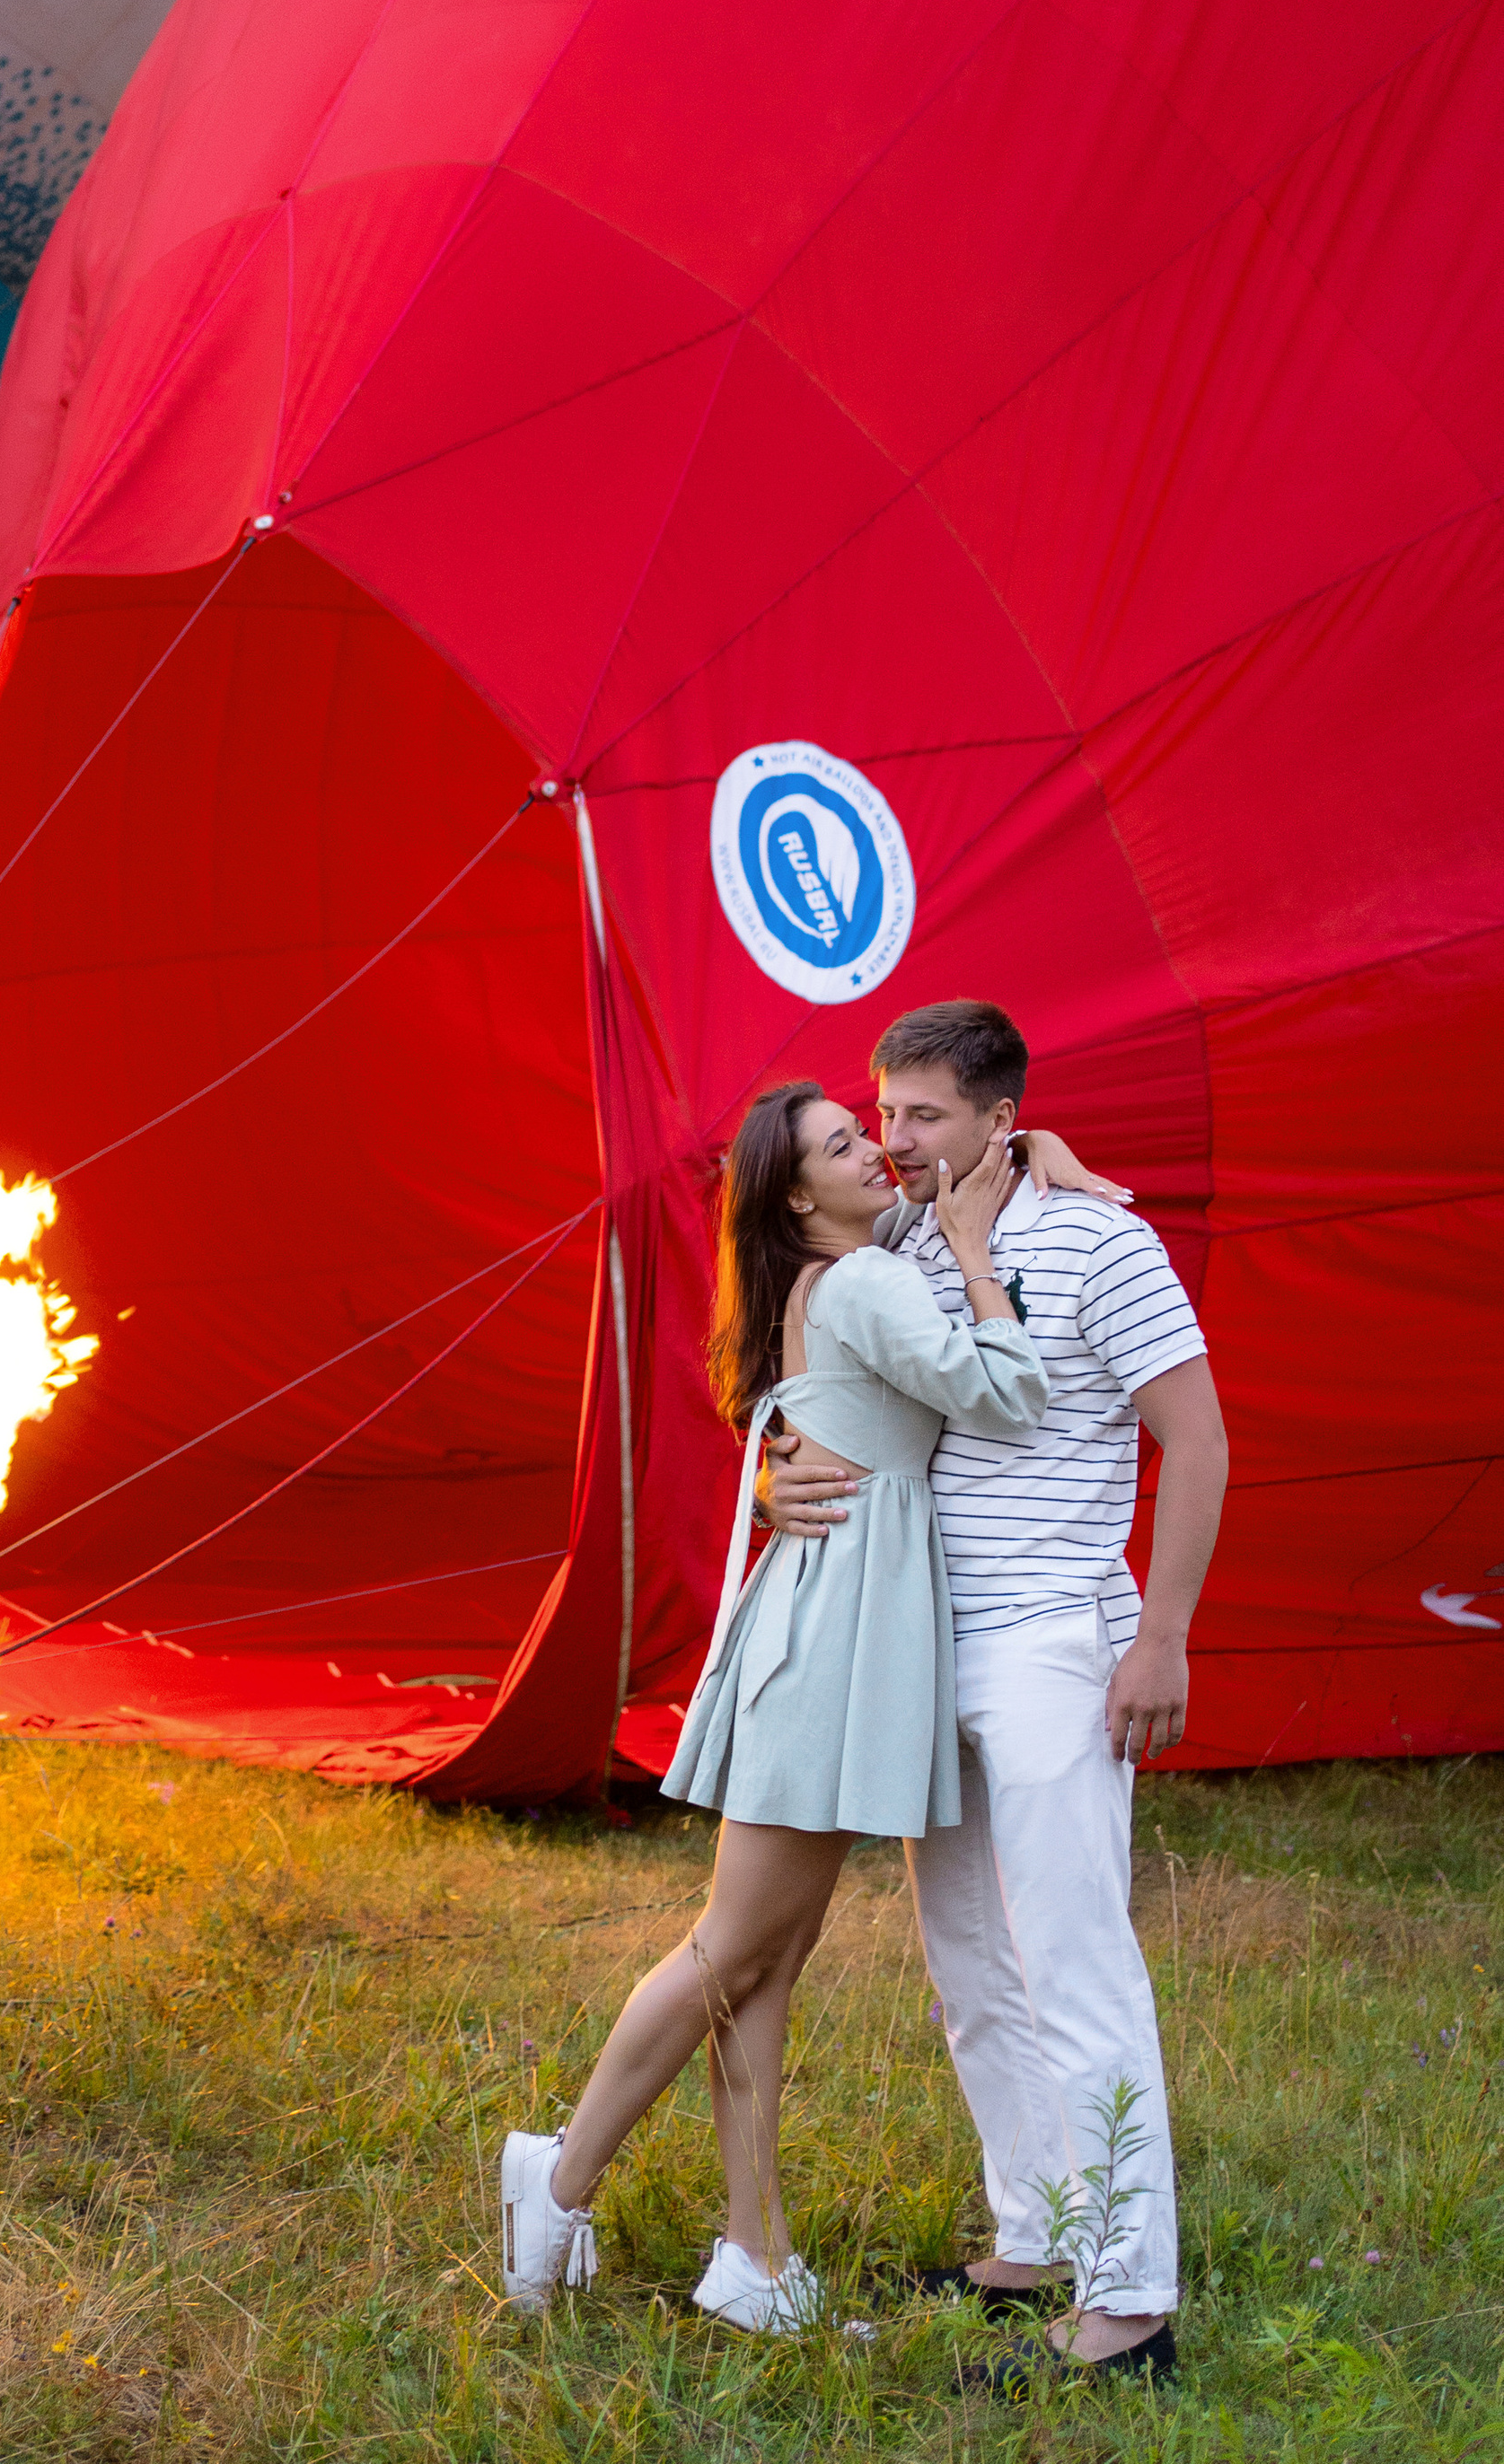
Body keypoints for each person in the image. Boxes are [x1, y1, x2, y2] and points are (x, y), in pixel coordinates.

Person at [499, 1084, 1051, 2331]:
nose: (878, 1149)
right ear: (798, 1196)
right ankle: (560, 2177)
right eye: (846, 1144)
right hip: (834, 1645)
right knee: (731, 1948)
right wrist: (976, 1260)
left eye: (875, 1130)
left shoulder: (841, 1274)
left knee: (767, 1960)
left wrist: (1022, 1161)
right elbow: (1005, 1396)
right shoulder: (862, 1281)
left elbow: (809, 1412)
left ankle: (755, 2260)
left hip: (836, 1629)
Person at [763, 999, 1228, 2386]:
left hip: (1052, 1640)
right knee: (971, 1963)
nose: (893, 1141)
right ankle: (1033, 2244)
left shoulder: (1104, 1238)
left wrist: (1165, 1639)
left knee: (1074, 1961)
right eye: (883, 1114)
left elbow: (1197, 1441)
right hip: (921, 1640)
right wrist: (779, 1475)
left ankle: (1132, 2301)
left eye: (924, 1118)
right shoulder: (900, 1236)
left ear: (999, 1120)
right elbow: (827, 1390)